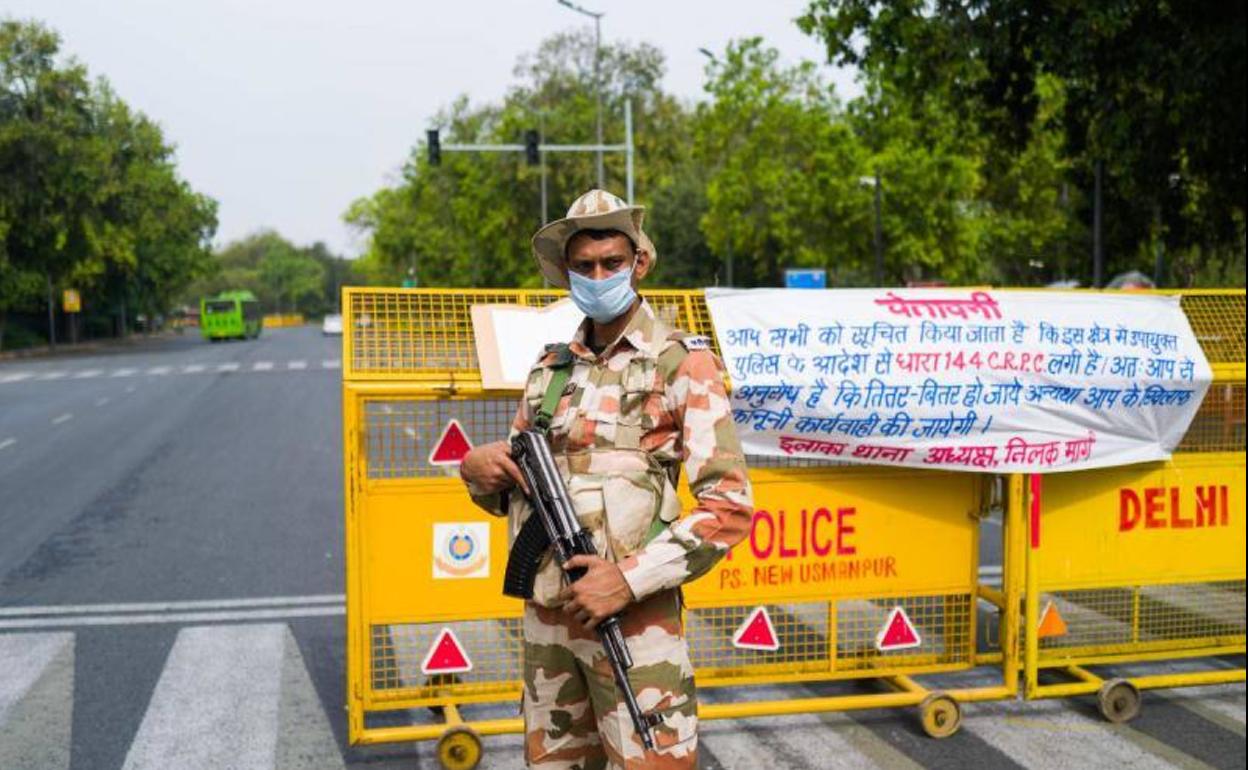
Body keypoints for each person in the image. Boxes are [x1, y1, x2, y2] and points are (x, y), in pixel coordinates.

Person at [459, 189, 754, 769]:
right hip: (549, 630)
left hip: (636, 630)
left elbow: (728, 508)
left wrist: (625, 579)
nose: (598, 276)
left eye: (611, 263)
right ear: (566, 272)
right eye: (584, 266)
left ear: (638, 263)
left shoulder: (680, 363)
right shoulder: (549, 372)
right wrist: (477, 473)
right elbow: (513, 494)